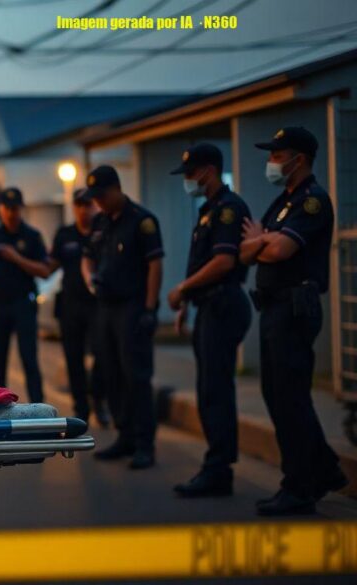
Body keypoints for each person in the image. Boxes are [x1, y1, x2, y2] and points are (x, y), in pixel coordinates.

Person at [239, 127, 348, 515]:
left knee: (290, 398)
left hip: (294, 308)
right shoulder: (282, 202)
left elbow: (280, 250)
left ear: (298, 159)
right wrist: (261, 243)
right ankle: (324, 471)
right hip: (274, 308)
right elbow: (245, 252)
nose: (271, 161)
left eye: (277, 154)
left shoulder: (312, 201)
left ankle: (299, 487)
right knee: (278, 395)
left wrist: (261, 242)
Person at [167, 143, 252, 497]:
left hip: (224, 305)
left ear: (209, 171)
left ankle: (219, 469)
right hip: (209, 305)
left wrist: (183, 288)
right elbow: (202, 262)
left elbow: (223, 261)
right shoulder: (209, 209)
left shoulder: (229, 209)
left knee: (215, 390)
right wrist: (188, 301)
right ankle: (216, 465)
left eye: (191, 173)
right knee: (208, 389)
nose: (187, 180)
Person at [81, 165, 164, 470]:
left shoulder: (142, 221)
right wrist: (90, 281)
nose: (98, 202)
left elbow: (155, 265)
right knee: (111, 374)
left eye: (102, 196)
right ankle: (124, 435)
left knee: (136, 377)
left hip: (132, 307)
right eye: (95, 197)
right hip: (105, 307)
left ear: (117, 189)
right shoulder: (100, 221)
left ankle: (144, 444)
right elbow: (87, 257)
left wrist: (150, 309)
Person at [0, 187, 50, 403]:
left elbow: (44, 271)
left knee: (29, 359)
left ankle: (38, 408)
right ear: (0, 209)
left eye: (15, 208)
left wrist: (16, 257)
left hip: (23, 302)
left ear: (21, 209)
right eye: (7, 208)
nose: (11, 213)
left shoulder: (32, 236)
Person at [48, 189, 109, 426]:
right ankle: (81, 408)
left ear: (95, 205)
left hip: (97, 305)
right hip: (70, 306)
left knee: (102, 354)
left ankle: (99, 400)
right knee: (74, 359)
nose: (84, 209)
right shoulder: (64, 234)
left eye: (88, 204)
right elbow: (50, 265)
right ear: (74, 207)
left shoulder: (102, 231)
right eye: (79, 205)